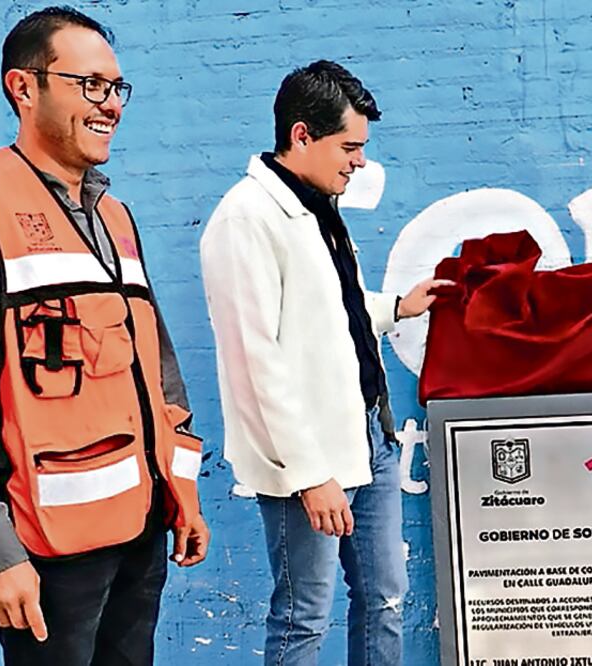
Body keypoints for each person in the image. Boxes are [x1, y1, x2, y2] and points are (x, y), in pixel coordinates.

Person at [0, 6, 209, 664]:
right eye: (89, 85)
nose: (110, 105)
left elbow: (158, 371)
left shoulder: (114, 215)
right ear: (24, 87)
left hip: (141, 530)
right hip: (47, 555)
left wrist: (179, 492)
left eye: (116, 88)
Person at [199, 59, 449, 666]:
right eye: (350, 146)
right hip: (304, 457)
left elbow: (328, 305)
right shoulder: (244, 220)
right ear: (302, 135)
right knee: (303, 618)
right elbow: (255, 359)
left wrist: (397, 307)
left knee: (385, 599)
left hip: (369, 436)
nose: (359, 161)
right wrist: (311, 474)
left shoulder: (314, 203)